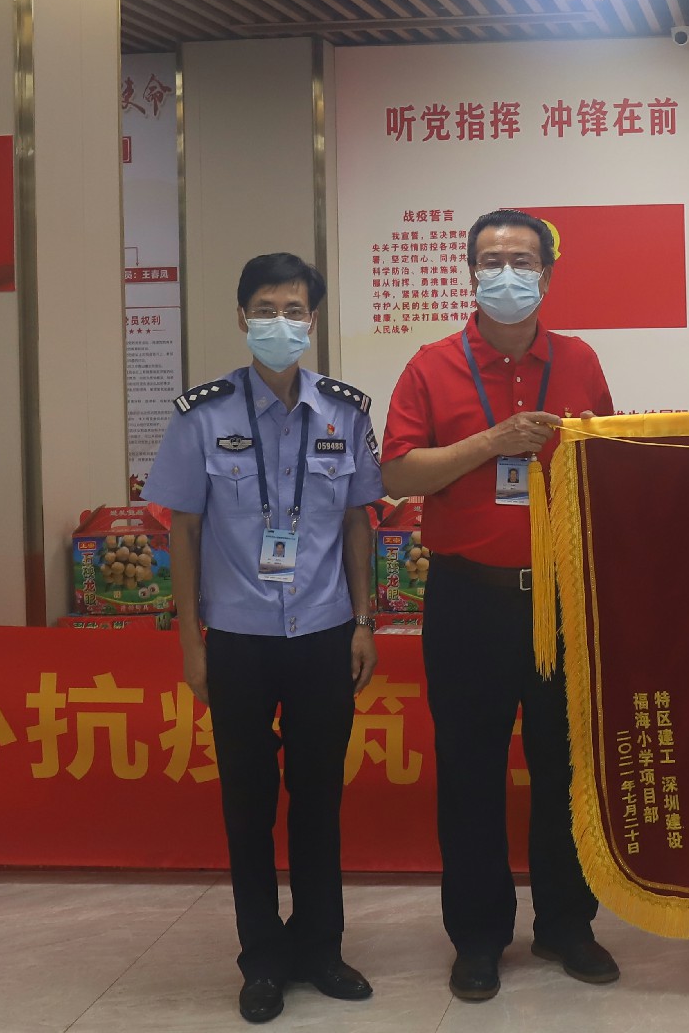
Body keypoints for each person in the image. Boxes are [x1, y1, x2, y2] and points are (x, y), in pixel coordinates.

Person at [381, 209, 619, 1003]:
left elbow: (609, 464)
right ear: (471, 273)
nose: (506, 273)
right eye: (491, 260)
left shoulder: (579, 361)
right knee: (470, 772)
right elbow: (398, 474)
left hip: (560, 599)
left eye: (521, 260)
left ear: (547, 274)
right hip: (468, 600)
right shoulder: (432, 366)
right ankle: (479, 937)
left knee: (565, 768)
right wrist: (492, 441)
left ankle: (567, 925)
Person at [142, 252, 383, 1025]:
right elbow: (182, 531)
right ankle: (262, 959)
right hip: (239, 640)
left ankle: (321, 947)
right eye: (267, 309)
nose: (282, 323)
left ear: (313, 320)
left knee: (319, 800)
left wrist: (365, 622)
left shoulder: (345, 412)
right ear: (242, 316)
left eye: (295, 310)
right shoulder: (202, 415)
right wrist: (191, 643)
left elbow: (359, 522)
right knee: (247, 807)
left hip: (324, 635)